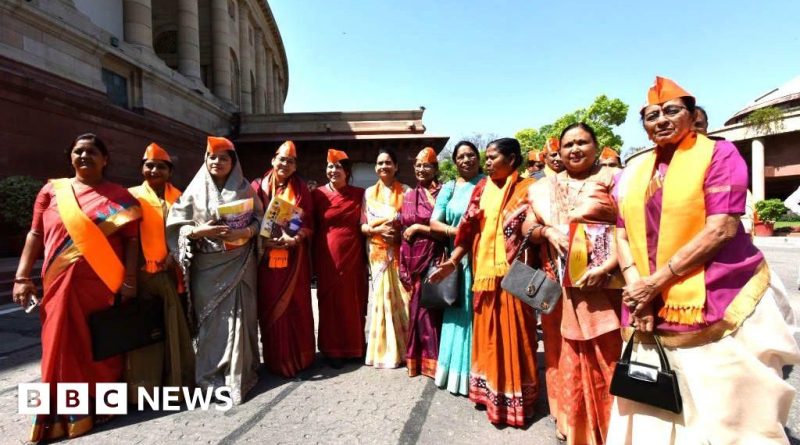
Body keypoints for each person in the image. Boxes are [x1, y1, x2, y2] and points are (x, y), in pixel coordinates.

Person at [607, 76, 800, 444]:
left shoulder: (718, 153)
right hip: (646, 299)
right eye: (651, 116)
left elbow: (722, 228)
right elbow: (622, 232)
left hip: (714, 293)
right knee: (653, 395)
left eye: (671, 111)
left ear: (692, 115)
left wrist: (654, 283)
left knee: (726, 403)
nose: (661, 120)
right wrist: (637, 287)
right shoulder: (634, 169)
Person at [12, 133, 141, 441]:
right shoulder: (51, 191)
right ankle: (61, 414)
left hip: (102, 282)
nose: (84, 156)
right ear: (70, 157)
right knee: (59, 343)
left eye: (92, 152)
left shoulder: (120, 197)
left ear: (105, 159)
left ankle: (101, 405)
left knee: (99, 344)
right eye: (78, 152)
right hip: (57, 281)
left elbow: (132, 242)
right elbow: (35, 235)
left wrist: (130, 282)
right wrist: (21, 276)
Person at [524, 123, 622, 444]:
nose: (574, 150)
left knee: (606, 351)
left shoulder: (613, 179)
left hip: (603, 283)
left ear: (596, 146)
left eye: (582, 143)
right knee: (558, 350)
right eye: (568, 145)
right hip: (556, 282)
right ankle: (568, 418)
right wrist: (547, 232)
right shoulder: (542, 187)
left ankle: (613, 426)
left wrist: (608, 265)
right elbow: (527, 226)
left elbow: (633, 227)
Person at [431, 138, 539, 427]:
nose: (487, 162)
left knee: (518, 338)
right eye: (486, 158)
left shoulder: (528, 189)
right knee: (488, 339)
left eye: (493, 157)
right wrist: (453, 261)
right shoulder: (481, 189)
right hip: (483, 276)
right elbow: (467, 232)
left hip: (516, 277)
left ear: (513, 159)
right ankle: (488, 395)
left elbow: (538, 228)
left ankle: (519, 401)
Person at [166, 136, 262, 405]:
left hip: (240, 262)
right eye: (212, 157)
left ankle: (240, 375)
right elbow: (175, 226)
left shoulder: (245, 189)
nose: (217, 162)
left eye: (223, 158)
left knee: (242, 320)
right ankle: (210, 377)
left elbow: (260, 219)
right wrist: (200, 231)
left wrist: (246, 230)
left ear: (233, 162)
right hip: (207, 268)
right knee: (212, 324)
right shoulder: (193, 192)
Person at [126, 143, 194, 400]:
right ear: (142, 168)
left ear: (170, 171)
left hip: (172, 274)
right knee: (144, 331)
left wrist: (175, 257)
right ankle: (143, 389)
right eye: (149, 165)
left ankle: (177, 385)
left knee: (174, 329)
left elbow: (190, 232)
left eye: (161, 166)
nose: (154, 170)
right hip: (141, 275)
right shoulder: (129, 196)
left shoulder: (181, 197)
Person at [252, 140, 315, 378]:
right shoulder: (257, 187)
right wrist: (261, 240)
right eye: (282, 159)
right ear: (273, 160)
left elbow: (308, 223)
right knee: (270, 305)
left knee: (295, 306)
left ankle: (301, 358)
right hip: (265, 259)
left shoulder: (302, 190)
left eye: (291, 161)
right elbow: (249, 218)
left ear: (295, 165)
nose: (285, 164)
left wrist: (295, 238)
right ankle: (276, 360)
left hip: (293, 260)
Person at [429, 140, 483, 395]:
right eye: (460, 157)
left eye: (471, 155)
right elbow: (433, 223)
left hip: (481, 258)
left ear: (478, 157)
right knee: (456, 311)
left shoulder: (487, 184)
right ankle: (452, 375)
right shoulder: (450, 187)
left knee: (477, 315)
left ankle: (477, 378)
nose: (466, 160)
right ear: (455, 162)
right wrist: (457, 232)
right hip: (455, 260)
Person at [312, 148, 369, 368]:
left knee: (354, 300)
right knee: (329, 301)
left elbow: (367, 220)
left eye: (338, 167)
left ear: (347, 171)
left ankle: (354, 347)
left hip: (354, 256)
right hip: (327, 255)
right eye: (330, 166)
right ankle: (332, 350)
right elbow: (305, 222)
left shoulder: (359, 194)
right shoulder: (316, 195)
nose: (333, 170)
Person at [361, 148, 410, 369]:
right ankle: (384, 351)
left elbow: (410, 223)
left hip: (400, 251)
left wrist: (398, 234)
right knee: (382, 300)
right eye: (380, 163)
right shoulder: (368, 194)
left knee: (402, 299)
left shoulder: (407, 192)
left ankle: (406, 350)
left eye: (388, 162)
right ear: (375, 167)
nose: (384, 166)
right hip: (378, 253)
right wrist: (376, 230)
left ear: (396, 166)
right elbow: (362, 225)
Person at [399, 147, 444, 378]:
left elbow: (447, 230)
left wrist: (418, 227)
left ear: (435, 169)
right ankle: (416, 360)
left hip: (435, 256)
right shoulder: (408, 195)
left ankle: (434, 361)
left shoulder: (444, 193)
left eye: (426, 165)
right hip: (412, 259)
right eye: (417, 165)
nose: (421, 169)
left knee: (430, 312)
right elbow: (402, 228)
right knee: (415, 311)